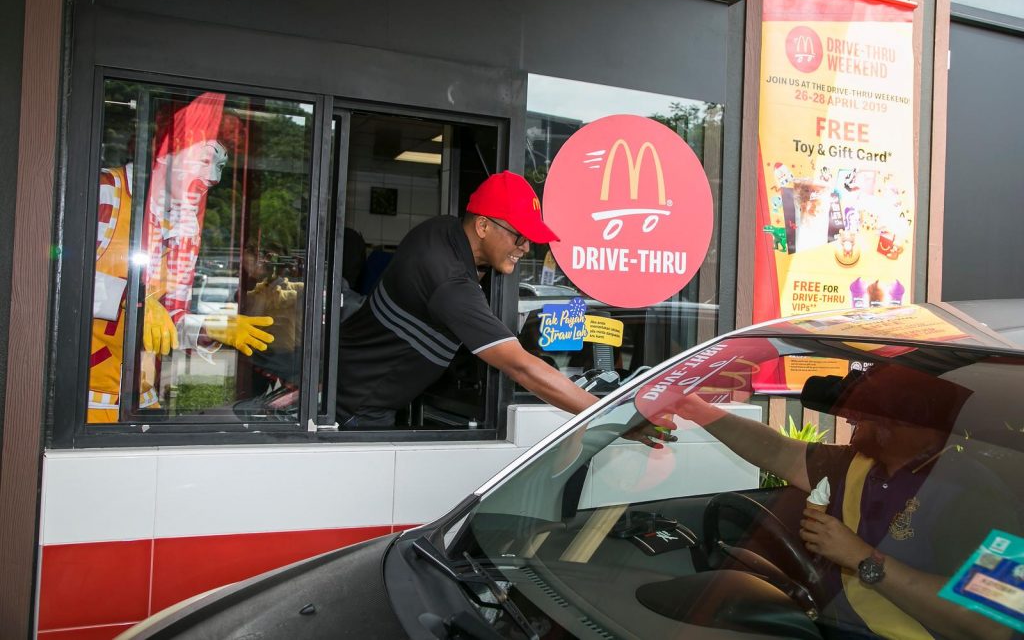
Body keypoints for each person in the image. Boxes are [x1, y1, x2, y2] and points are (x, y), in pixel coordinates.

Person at [662, 364, 1019, 640]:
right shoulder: (857, 464)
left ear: (907, 417)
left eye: (864, 411)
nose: (848, 418)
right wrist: (697, 410)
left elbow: (992, 623)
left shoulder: (978, 495)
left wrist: (861, 558)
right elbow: (778, 451)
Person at [335, 170, 669, 442]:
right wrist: (616, 417)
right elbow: (521, 368)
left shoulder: (439, 228)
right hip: (360, 407)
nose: (525, 247)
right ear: (482, 226)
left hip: (348, 378)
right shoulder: (450, 283)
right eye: (518, 236)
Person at [88, 92, 274, 422]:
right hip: (80, 402)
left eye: (220, 165)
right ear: (169, 149)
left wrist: (212, 327)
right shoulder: (104, 192)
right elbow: (57, 280)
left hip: (139, 398)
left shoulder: (176, 224)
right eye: (205, 160)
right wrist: (132, 302)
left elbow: (164, 322)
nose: (214, 177)